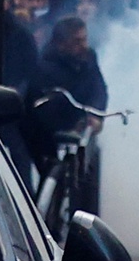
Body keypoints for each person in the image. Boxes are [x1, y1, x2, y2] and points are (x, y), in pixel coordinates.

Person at [26, 17, 110, 214]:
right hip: (45, 129)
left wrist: (96, 114)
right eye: (77, 41)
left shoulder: (89, 58)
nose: (83, 46)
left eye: (84, 40)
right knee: (49, 175)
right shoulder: (45, 65)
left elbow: (99, 88)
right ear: (61, 44)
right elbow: (39, 104)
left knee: (87, 173)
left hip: (80, 126)